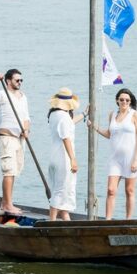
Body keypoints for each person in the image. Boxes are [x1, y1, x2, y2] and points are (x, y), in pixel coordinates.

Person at [89, 88, 137, 219]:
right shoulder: (112, 114)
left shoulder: (135, 115)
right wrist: (95, 127)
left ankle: (128, 219)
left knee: (129, 190)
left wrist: (136, 159)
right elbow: (109, 134)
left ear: (130, 101)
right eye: (122, 100)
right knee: (111, 190)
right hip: (115, 159)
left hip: (131, 158)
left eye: (127, 100)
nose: (124, 102)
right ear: (117, 101)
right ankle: (108, 220)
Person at [0, 69, 30, 214]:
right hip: (6, 138)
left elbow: (26, 118)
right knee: (8, 171)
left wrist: (26, 130)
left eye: (21, 80)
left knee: (14, 171)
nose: (20, 83)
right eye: (17, 80)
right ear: (8, 81)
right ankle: (8, 205)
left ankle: (5, 203)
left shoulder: (23, 97)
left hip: (19, 139)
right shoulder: (3, 94)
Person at [47, 87, 84, 221]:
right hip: (63, 157)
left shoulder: (53, 115)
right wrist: (73, 159)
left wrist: (84, 115)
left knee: (61, 188)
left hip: (54, 156)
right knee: (61, 190)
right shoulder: (63, 117)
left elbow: (69, 124)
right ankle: (52, 221)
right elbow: (66, 137)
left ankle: (65, 217)